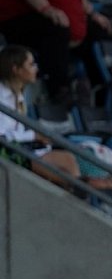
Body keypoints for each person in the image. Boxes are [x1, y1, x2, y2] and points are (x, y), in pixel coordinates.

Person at [0, 44, 85, 187]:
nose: (36, 68)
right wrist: (33, 136)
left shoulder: (19, 93)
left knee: (68, 160)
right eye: (31, 64)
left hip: (23, 148)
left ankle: (81, 191)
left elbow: (16, 131)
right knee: (66, 173)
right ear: (16, 69)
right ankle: (81, 189)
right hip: (8, 151)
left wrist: (35, 138)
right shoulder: (1, 96)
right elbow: (3, 136)